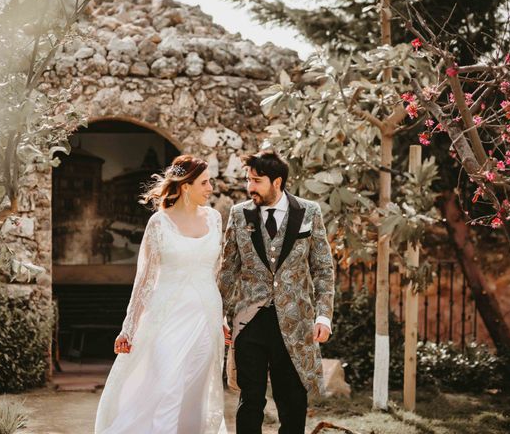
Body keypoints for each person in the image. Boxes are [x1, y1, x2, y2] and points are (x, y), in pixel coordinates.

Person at [94, 155, 227, 434]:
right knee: (168, 385)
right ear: (186, 186)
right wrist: (128, 327)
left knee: (196, 390)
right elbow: (144, 279)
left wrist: (223, 318)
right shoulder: (159, 223)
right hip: (168, 315)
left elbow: (216, 273)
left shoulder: (215, 219)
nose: (210, 188)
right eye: (204, 182)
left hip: (206, 316)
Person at [218, 150, 335, 434]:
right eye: (249, 180)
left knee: (293, 401)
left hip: (295, 324)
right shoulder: (238, 214)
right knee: (251, 400)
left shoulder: (309, 212)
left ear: (277, 181)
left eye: (257, 181)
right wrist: (220, 312)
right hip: (250, 321)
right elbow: (228, 269)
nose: (250, 187)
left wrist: (324, 316)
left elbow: (323, 268)